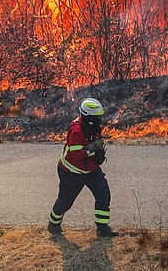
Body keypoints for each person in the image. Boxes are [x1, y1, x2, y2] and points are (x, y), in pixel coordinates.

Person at [47, 97, 117, 238]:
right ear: (89, 117)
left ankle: (102, 228)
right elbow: (77, 155)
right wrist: (93, 148)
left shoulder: (91, 127)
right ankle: (53, 225)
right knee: (65, 202)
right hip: (72, 172)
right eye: (97, 117)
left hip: (90, 170)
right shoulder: (76, 131)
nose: (100, 119)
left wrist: (97, 153)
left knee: (103, 195)